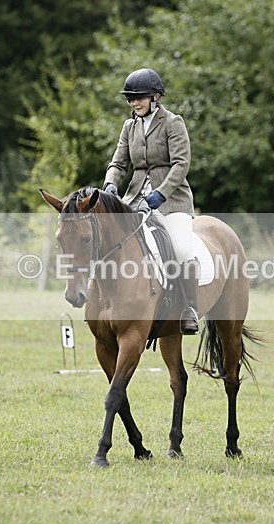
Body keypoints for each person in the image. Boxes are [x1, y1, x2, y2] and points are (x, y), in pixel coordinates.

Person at [102, 67, 199, 335]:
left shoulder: (172, 122)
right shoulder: (129, 126)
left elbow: (181, 164)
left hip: (172, 200)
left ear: (156, 97)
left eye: (140, 98)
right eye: (131, 99)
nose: (135, 103)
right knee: (113, 243)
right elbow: (119, 163)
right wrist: (111, 183)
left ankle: (190, 308)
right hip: (134, 199)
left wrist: (162, 192)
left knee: (180, 249)